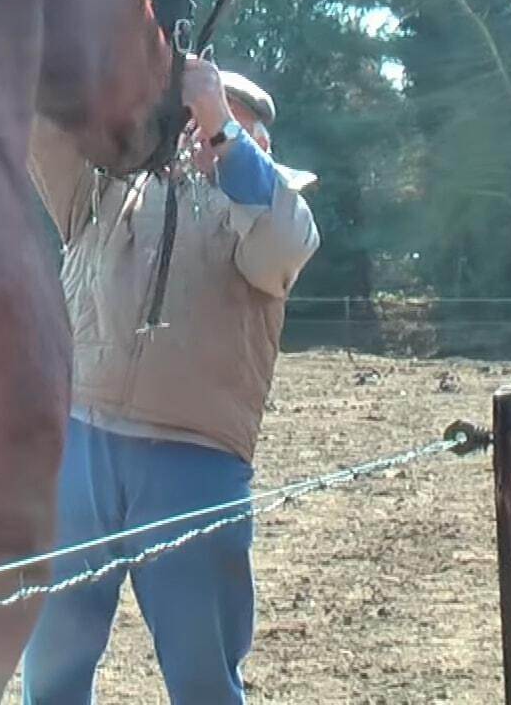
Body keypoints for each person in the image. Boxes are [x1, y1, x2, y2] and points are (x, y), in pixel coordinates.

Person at [20, 53, 320, 705]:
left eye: (217, 122)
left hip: (194, 463)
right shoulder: (109, 190)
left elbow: (279, 246)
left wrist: (222, 126)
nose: (197, 132)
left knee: (203, 678)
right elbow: (43, 125)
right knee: (52, 675)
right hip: (79, 446)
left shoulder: (275, 207)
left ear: (258, 142)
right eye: (188, 117)